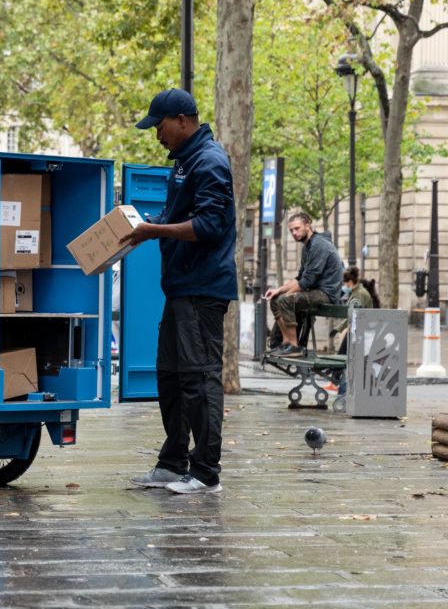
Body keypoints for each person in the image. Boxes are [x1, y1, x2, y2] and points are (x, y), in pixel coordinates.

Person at [122, 88, 236, 495]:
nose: (157, 135)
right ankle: (173, 463)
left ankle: (206, 474)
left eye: (160, 125)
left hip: (202, 290)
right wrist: (152, 222)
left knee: (199, 379)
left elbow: (208, 226)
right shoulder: (186, 163)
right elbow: (182, 217)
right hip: (180, 289)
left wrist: (154, 230)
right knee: (170, 377)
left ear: (183, 120)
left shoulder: (210, 162)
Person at [264, 213, 343, 357]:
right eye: (291, 230)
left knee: (284, 300)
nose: (294, 233)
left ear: (308, 225)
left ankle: (295, 347)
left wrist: (287, 295)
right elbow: (300, 278)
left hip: (326, 293)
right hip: (314, 290)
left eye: (297, 228)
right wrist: (278, 290)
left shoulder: (319, 245)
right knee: (275, 300)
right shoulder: (307, 247)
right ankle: (286, 343)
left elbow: (308, 281)